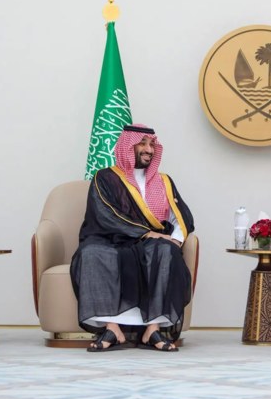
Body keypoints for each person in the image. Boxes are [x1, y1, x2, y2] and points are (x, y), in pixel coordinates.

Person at [70, 124, 194, 352]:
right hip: (111, 238)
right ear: (128, 146)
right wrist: (145, 232)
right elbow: (104, 214)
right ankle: (112, 328)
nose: (149, 149)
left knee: (166, 251)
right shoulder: (105, 178)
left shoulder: (163, 181)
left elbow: (179, 215)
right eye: (143, 143)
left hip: (150, 244)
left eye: (152, 145)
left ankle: (152, 330)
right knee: (92, 253)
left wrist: (175, 239)